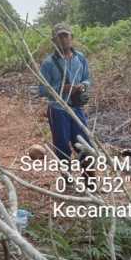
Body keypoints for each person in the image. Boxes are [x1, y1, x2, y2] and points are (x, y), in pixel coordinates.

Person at [39, 23, 92, 169]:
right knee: (62, 146)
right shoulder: (48, 64)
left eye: (65, 36)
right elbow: (42, 90)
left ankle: (90, 182)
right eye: (59, 37)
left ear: (71, 37)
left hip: (77, 108)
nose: (63, 40)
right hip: (57, 110)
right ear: (53, 40)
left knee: (84, 145)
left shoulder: (80, 58)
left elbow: (88, 79)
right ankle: (68, 180)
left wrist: (83, 86)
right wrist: (62, 89)